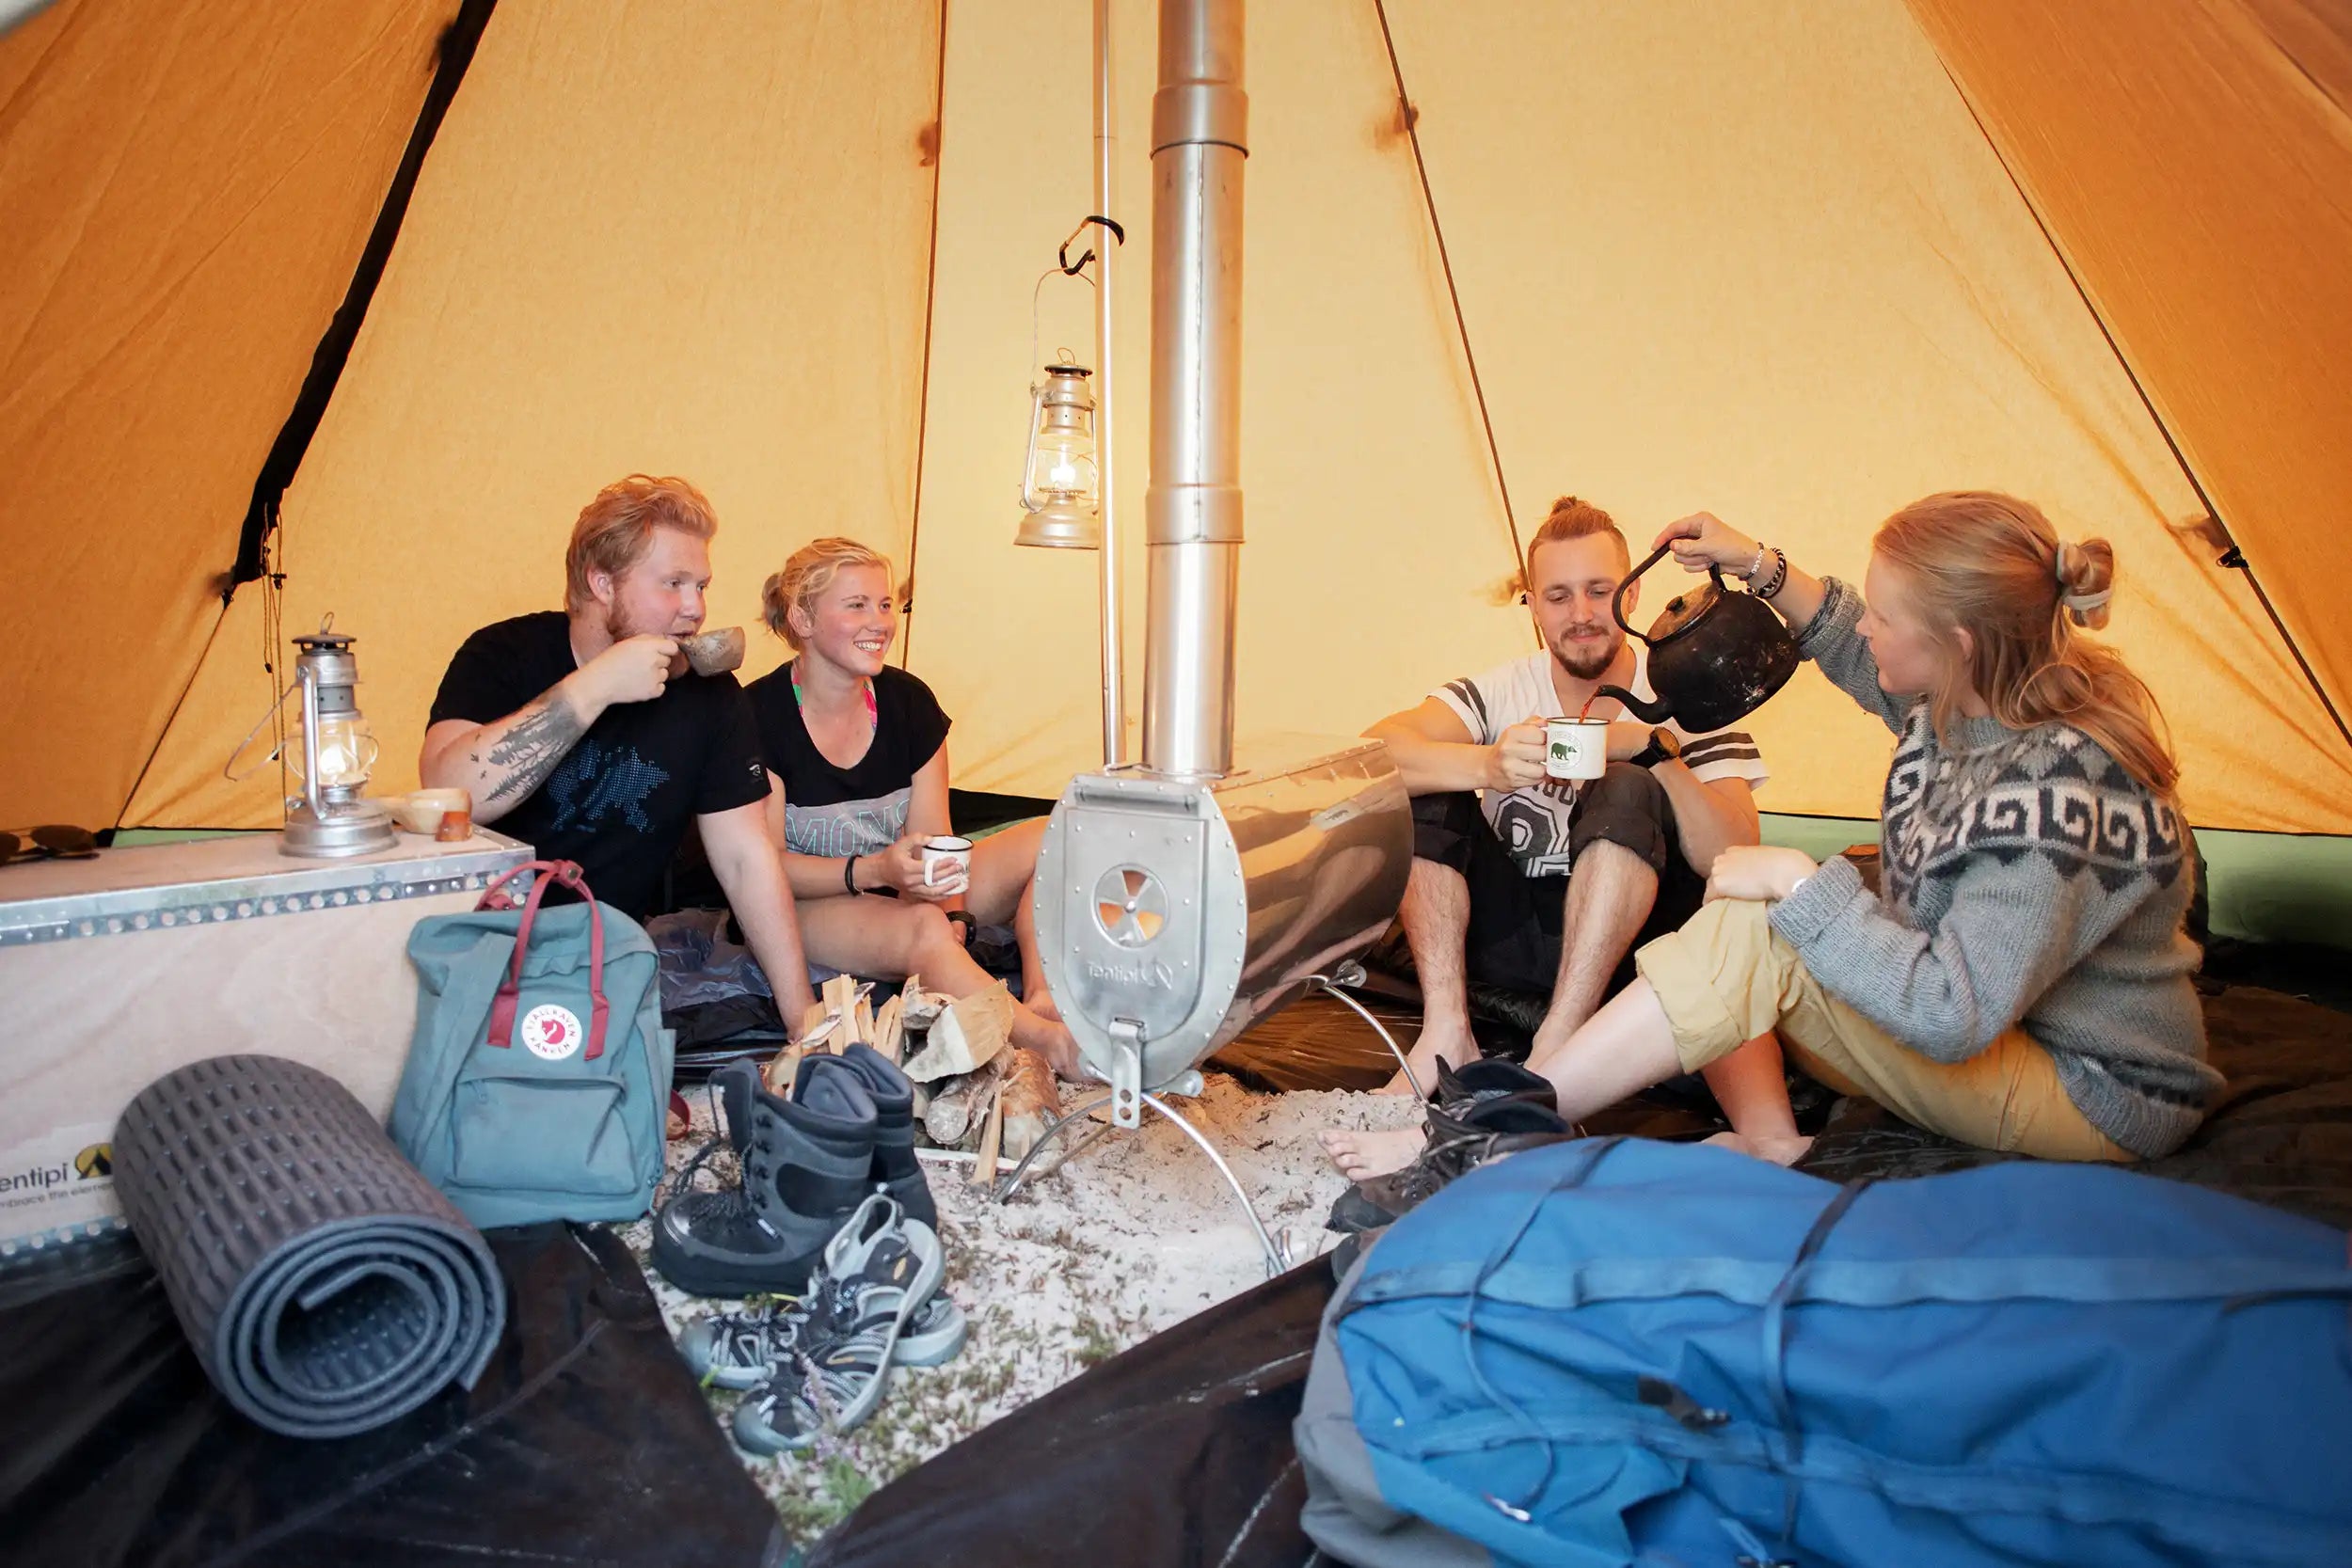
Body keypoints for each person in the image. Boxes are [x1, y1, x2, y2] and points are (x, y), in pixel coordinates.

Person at [1326, 491, 2217, 1182]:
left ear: (1956, 644)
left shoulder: (2057, 788)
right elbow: (1842, 644)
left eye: (1884, 614)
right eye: (1557, 594)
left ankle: (1496, 1127)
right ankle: (1729, 1136)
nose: (1863, 625)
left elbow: (1951, 1017)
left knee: (1760, 921)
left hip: (2092, 1092)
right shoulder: (1958, 705)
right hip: (2001, 1031)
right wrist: (1754, 563)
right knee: (1748, 926)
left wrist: (1801, 881)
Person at [1363, 495, 1766, 1093]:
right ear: (1533, 606)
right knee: (1423, 786)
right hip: (1511, 937)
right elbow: (1372, 755)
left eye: (1599, 591)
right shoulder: (1501, 690)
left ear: (1632, 593)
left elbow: (1734, 855)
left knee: (1627, 783)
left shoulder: (1686, 693)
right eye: (1558, 597)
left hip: (1632, 951)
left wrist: (1650, 751)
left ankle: (1561, 1040)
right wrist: (1487, 765)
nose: (1581, 614)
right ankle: (1447, 1032)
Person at [421, 474, 818, 1025]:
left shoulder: (709, 695)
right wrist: (595, 687)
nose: (695, 608)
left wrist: (802, 1016)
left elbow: (746, 858)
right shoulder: (503, 653)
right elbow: (449, 796)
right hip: (479, 958)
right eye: (673, 584)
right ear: (602, 582)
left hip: (603, 965)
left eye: (701, 586)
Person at [740, 537, 1081, 1079]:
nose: (879, 622)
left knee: (1059, 836)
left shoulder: (908, 702)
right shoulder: (759, 715)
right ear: (803, 619)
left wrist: (956, 915)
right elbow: (763, 868)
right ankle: (1049, 1044)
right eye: (856, 605)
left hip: (901, 882)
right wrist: (879, 872)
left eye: (884, 605)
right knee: (923, 926)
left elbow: (936, 838)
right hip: (809, 902)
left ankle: (1041, 995)